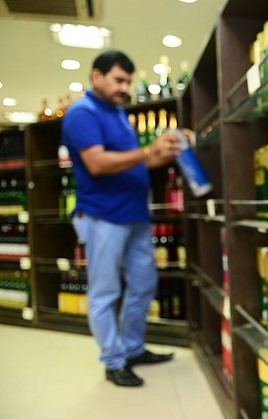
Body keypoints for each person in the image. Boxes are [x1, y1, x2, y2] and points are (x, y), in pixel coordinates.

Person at [62, 50, 188, 387]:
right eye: (119, 80)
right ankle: (113, 360)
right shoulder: (82, 113)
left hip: (135, 216)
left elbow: (138, 163)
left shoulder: (118, 114)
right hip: (103, 217)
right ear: (96, 77)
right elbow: (98, 164)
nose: (124, 87)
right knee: (105, 291)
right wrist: (149, 149)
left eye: (128, 82)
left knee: (144, 285)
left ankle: (132, 348)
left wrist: (168, 151)